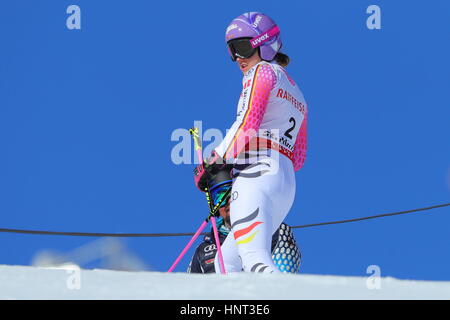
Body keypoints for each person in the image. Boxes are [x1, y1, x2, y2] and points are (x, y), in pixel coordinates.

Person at [194, 12, 308, 273]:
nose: (238, 58)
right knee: (228, 265)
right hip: (285, 184)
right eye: (232, 51)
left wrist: (214, 163)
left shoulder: (261, 72)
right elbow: (299, 157)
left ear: (265, 44)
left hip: (258, 175)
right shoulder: (298, 95)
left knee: (255, 261)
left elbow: (247, 124)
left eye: (243, 47)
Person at [187, 170, 301, 274]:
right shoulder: (203, 251)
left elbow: (285, 277)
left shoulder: (276, 231)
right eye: (220, 196)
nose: (229, 200)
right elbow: (188, 289)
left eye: (236, 193)